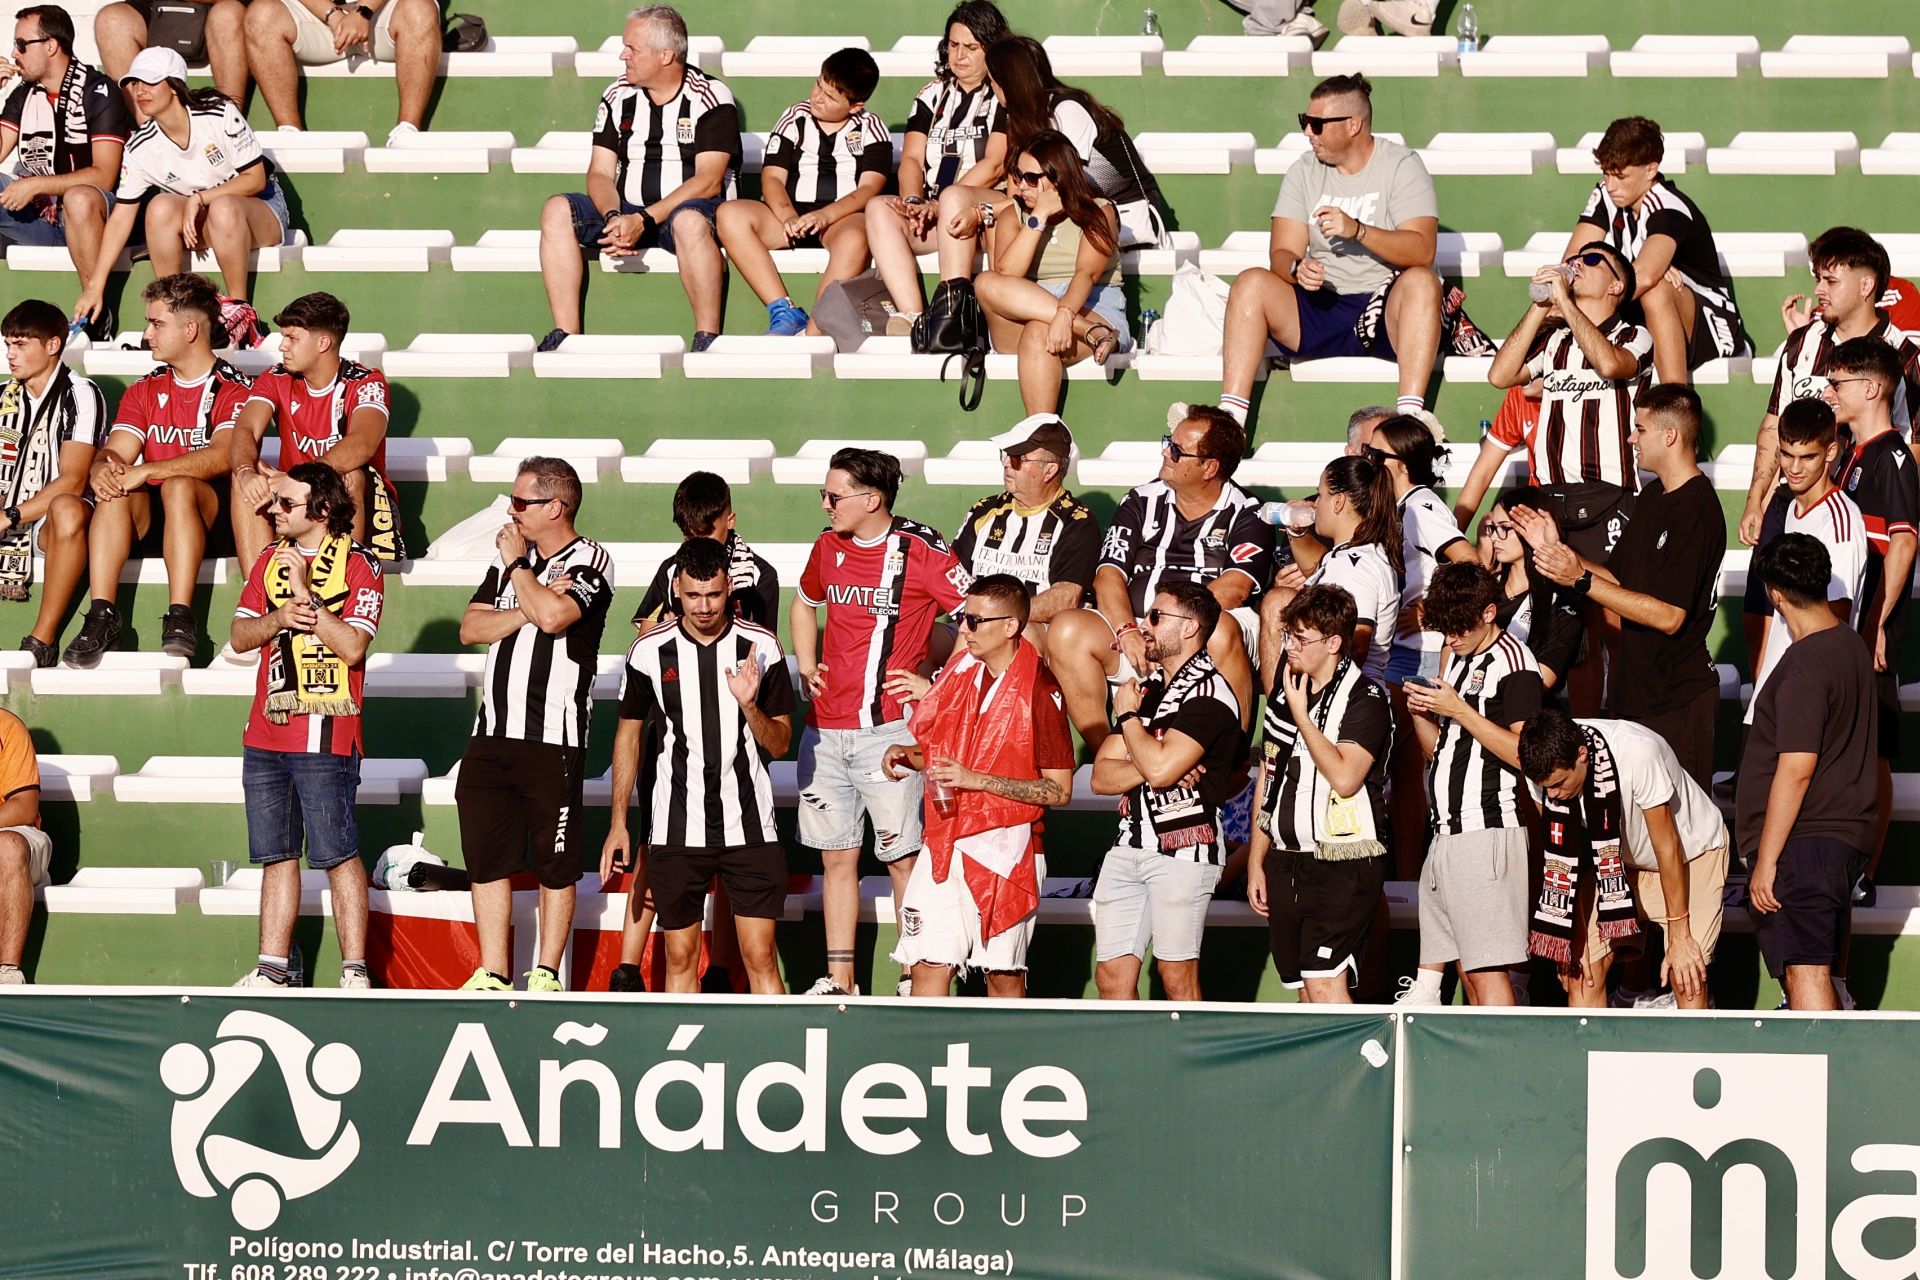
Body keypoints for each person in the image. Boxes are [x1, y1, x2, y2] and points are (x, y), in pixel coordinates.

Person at [791, 448, 968, 997]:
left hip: (890, 731)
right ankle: (840, 978)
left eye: (833, 495)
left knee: (901, 859)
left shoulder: (922, 549)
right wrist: (805, 664)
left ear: (872, 499)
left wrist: (935, 687)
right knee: (836, 858)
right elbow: (803, 604)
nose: (825, 504)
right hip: (824, 730)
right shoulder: (829, 545)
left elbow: (980, 619)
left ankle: (914, 976)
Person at [601, 537, 792, 996]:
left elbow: (781, 743)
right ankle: (681, 1061)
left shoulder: (761, 647)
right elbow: (628, 734)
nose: (704, 606)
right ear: (675, 590)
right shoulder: (649, 650)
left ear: (730, 587)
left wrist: (749, 706)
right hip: (674, 824)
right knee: (680, 956)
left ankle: (783, 1057)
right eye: (692, 595)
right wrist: (618, 823)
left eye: (714, 594)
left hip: (749, 824)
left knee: (761, 956)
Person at [454, 458, 614, 993]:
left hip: (554, 738)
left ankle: (546, 972)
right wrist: (526, 600)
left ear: (555, 507)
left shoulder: (592, 559)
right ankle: (494, 971)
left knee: (555, 863)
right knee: (486, 856)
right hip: (492, 733)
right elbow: (472, 627)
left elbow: (556, 618)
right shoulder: (513, 562)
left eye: (521, 502)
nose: (511, 510)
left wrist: (522, 576)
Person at [1516, 385, 1724, 789]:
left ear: (1670, 436)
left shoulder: (1697, 509)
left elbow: (1669, 616)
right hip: (1637, 693)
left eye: (1639, 429)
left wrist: (1579, 578)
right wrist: (1557, 550)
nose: (1630, 438)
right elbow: (1616, 580)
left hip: (1677, 699)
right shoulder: (1652, 496)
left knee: (1680, 838)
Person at [228, 464, 383, 989]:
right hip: (266, 728)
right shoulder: (268, 559)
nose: (272, 510)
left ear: (320, 509)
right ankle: (272, 968)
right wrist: (278, 617)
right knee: (276, 855)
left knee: (337, 853)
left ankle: (354, 970)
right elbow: (240, 634)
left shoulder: (361, 564)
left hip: (327, 730)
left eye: (285, 503)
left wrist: (305, 597)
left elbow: (354, 646)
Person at [883, 575, 1075, 998]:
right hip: (946, 837)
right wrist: (906, 753)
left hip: (1006, 848)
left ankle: (1007, 1064)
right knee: (926, 967)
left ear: (1010, 626)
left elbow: (1059, 791)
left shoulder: (1040, 691)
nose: (964, 629)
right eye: (962, 618)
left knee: (1002, 977)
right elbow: (945, 757)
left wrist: (976, 781)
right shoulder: (959, 677)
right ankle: (925, 1064)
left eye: (974, 620)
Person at [1738, 229, 1920, 666]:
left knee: (1843, 653)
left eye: (1830, 280)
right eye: (1817, 277)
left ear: (1866, 285)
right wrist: (1756, 499)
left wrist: (1889, 518)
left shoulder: (1904, 356)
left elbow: (1912, 447)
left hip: (1854, 519)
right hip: (1787, 504)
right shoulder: (1803, 344)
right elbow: (1771, 426)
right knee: (1758, 621)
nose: (1818, 289)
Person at [1219, 73, 1441, 427]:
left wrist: (1358, 230)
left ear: (1353, 125)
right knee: (1250, 283)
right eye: (1304, 122)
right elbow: (1282, 252)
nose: (1308, 132)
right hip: (1320, 304)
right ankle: (1230, 421)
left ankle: (1410, 421)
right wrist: (1295, 269)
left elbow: (1422, 250)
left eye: (1317, 124)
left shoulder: (1401, 165)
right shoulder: (1303, 170)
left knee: (1422, 283)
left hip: (1382, 309)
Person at [1049, 406, 1270, 750]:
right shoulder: (1140, 500)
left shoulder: (1248, 512)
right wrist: (1127, 629)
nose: (1166, 452)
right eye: (1169, 441)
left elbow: (1234, 587)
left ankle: (1233, 761)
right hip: (1137, 629)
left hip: (1201, 625)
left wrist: (1163, 625)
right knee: (1066, 629)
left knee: (1222, 628)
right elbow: (1108, 574)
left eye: (1178, 450)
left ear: (1210, 467)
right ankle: (1112, 754)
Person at [63, 273, 252, 668]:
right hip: (153, 520)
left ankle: (181, 616)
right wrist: (103, 468)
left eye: (157, 323)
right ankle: (102, 615)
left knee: (179, 486)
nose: (147, 334)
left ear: (190, 329)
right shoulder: (144, 388)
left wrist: (146, 469)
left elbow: (224, 456)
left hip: (212, 519)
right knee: (115, 487)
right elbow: (116, 451)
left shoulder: (234, 387)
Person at [536, 6, 740, 355]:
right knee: (557, 209)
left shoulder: (709, 95)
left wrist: (644, 219)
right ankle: (566, 335)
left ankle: (707, 338)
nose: (622, 55)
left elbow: (709, 181)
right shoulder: (618, 94)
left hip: (689, 212)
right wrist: (615, 217)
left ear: (666, 55)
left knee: (690, 222)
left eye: (632, 48)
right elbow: (600, 171)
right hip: (629, 211)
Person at [1739, 535, 1879, 1011]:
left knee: (1808, 973)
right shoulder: (1852, 646)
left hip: (1805, 844)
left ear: (1775, 595)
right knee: (1827, 977)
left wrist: (1766, 860)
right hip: (1840, 840)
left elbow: (1796, 769)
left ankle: (1828, 1084)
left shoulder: (1805, 663)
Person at [1090, 580, 1247, 1001]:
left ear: (1191, 628)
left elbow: (1157, 768)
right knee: (1110, 978)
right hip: (1127, 845)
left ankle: (1192, 1066)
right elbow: (1101, 777)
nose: (1144, 625)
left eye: (1156, 617)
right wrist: (1155, 760)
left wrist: (1130, 724)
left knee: (1177, 976)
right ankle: (1129, 1064)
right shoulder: (1151, 691)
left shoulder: (1212, 693)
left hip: (1184, 852)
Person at [73, 48, 291, 349]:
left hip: (263, 210)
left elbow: (256, 180)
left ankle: (240, 313)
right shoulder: (140, 146)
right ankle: (170, 312)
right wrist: (95, 286)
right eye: (135, 83)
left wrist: (201, 198)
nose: (139, 91)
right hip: (206, 222)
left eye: (150, 82)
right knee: (159, 207)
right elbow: (122, 216)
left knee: (224, 207)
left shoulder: (218, 112)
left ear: (174, 85)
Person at [1398, 564, 1543, 1006]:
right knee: (1456, 969)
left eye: (1459, 628)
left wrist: (1458, 710)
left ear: (1490, 612)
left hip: (1488, 829)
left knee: (1487, 972)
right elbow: (1440, 751)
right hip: (1446, 831)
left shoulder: (1515, 662)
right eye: (1444, 630)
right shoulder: (1457, 654)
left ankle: (1502, 1069)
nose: (1452, 638)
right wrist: (1421, 712)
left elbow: (1527, 755)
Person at [1518, 708, 1727, 1010]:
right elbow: (1562, 859)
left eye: (1559, 784)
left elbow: (1668, 849)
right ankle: (1588, 1055)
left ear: (1581, 755)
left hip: (1692, 855)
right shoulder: (1542, 771)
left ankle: (1693, 1054)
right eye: (1545, 787)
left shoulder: (1637, 754)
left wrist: (1679, 937)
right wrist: (1574, 935)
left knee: (1687, 975)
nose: (1552, 794)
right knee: (1582, 972)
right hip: (1621, 864)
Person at [1247, 583, 1391, 1002]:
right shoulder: (1287, 691)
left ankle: (1355, 1069)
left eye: (1300, 639)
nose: (1289, 646)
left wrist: (1301, 715)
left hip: (1342, 862)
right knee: (1304, 991)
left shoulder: (1366, 698)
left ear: (1333, 643)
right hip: (1287, 860)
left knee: (1325, 985)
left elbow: (1345, 778)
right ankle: (1317, 1070)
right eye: (1287, 635)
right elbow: (1268, 776)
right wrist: (1258, 859)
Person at [1475, 240, 1651, 564]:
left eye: (1593, 259)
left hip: (1607, 492)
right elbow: (1500, 375)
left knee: (1603, 606)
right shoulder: (1556, 341)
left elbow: (1611, 365)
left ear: (1616, 285)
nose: (1577, 264)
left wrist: (1566, 305)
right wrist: (1542, 304)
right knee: (1551, 608)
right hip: (1550, 496)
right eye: (1573, 259)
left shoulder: (1634, 335)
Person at [936, 35, 1167, 274]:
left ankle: (1013, 301)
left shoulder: (1067, 110)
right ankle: (988, 299)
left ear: (1010, 84)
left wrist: (982, 211)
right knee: (1006, 222)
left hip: (1122, 212)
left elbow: (1063, 188)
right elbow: (1022, 195)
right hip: (1072, 210)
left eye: (993, 82)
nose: (992, 90)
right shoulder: (1023, 118)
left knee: (1010, 223)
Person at [1822, 337, 1919, 899]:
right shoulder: (1854, 453)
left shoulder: (1894, 457)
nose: (1830, 391)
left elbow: (1904, 545)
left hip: (1870, 626)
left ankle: (1867, 871)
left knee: (1873, 745)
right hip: (1849, 622)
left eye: (1838, 383)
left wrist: (1879, 620)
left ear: (1873, 387)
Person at [229, 292, 403, 598]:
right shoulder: (276, 377)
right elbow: (245, 428)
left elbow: (362, 443)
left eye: (292, 338)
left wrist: (297, 481)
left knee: (351, 474)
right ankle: (257, 599)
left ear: (323, 343)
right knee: (247, 478)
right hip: (296, 501)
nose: (282, 346)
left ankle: (342, 590)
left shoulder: (366, 381)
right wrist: (245, 470)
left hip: (358, 503)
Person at [715, 48, 888, 337]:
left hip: (838, 220)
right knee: (729, 214)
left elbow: (870, 188)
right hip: (789, 216)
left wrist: (824, 216)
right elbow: (772, 177)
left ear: (855, 106)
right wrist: (788, 217)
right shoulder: (795, 117)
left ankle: (816, 328)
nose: (818, 97)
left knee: (857, 237)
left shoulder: (872, 128)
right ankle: (783, 309)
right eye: (819, 84)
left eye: (831, 97)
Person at [1366, 413, 1474, 872]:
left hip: (1421, 654)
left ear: (1401, 464)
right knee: (1409, 773)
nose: (1366, 460)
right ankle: (1408, 873)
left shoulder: (1421, 507)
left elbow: (1469, 565)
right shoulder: (1399, 505)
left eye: (1375, 455)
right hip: (1405, 651)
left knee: (1381, 757)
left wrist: (1431, 606)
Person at [860, 1, 1010, 332]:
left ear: (992, 48)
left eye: (971, 47)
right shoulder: (932, 94)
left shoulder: (1003, 93)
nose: (959, 56)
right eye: (953, 45)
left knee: (956, 197)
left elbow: (996, 163)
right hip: (935, 209)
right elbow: (912, 158)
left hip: (986, 214)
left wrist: (940, 205)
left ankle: (951, 313)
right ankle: (914, 316)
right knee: (879, 208)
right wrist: (914, 202)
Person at [1565, 116, 1749, 385]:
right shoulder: (1606, 195)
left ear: (1651, 169)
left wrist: (1590, 299)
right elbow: (1572, 263)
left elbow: (1647, 275)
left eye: (1621, 175)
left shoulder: (1668, 205)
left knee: (1656, 288)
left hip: (1712, 326)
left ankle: (1675, 404)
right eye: (1606, 173)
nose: (1611, 184)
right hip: (1641, 312)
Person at [974, 131, 1128, 413]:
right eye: (1017, 175)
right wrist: (1039, 219)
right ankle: (1093, 332)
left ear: (1059, 178)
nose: (1022, 186)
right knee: (986, 281)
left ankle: (1042, 437)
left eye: (1032, 178)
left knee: (1038, 332)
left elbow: (1086, 274)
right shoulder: (1015, 215)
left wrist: (1065, 314)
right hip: (1028, 311)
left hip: (1089, 305)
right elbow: (1007, 273)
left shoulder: (1099, 212)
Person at [0, 5, 132, 333]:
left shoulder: (99, 91)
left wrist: (37, 185)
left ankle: (96, 318)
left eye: (21, 44)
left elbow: (105, 175)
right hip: (41, 220)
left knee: (79, 198)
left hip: (94, 218)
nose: (14, 54)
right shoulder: (23, 95)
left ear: (50, 45)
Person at [1745, 399, 1865, 720]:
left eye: (1807, 457)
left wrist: (1796, 689)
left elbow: (1835, 618)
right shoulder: (1792, 510)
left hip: (1805, 697)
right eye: (1787, 455)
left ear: (1830, 452)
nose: (1794, 468)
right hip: (1777, 695)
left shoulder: (1841, 523)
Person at [0, 300, 104, 666]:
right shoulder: (2, 397)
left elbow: (73, 480)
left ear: (52, 345)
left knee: (66, 508)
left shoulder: (81, 393)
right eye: (8, 344)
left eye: (21, 344)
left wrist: (9, 515)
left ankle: (42, 640)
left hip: (55, 519)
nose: (11, 355)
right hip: (10, 508)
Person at [950, 414, 1098, 653]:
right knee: (924, 635)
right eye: (1005, 455)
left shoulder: (1076, 522)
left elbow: (1065, 598)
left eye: (1018, 458)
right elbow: (951, 576)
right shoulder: (985, 510)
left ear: (1049, 470)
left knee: (1020, 633)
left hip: (1031, 630)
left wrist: (994, 620)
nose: (1007, 463)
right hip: (971, 626)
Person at [1260, 452, 1401, 692]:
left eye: (1321, 494)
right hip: (1347, 702)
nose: (1315, 504)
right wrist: (1297, 531)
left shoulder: (1355, 564)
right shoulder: (1352, 555)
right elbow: (1319, 569)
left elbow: (1357, 641)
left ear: (1338, 502)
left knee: (1278, 601)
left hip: (1346, 708)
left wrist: (1317, 697)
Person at [243, 0, 442, 145]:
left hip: (382, 14)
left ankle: (408, 131)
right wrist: (333, 14)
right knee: (261, 14)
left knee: (420, 8)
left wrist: (364, 11)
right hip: (321, 17)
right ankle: (290, 132)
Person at [632, 471, 778, 633]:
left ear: (730, 521)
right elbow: (645, 640)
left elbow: (763, 645)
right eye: (689, 536)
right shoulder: (671, 569)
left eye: (707, 534)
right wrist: (669, 635)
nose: (699, 544)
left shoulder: (760, 576)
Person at [1478, 485, 1585, 694]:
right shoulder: (1484, 589)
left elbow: (1544, 679)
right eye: (1492, 528)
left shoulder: (1562, 599)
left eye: (1505, 528)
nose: (1493, 537)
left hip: (1527, 715)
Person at [93, 0, 247, 119]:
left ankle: (230, 125)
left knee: (227, 14)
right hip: (158, 11)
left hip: (225, 12)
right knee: (110, 20)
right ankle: (152, 132)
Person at [0, 706, 50, 984]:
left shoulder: (6, 727)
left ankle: (7, 972)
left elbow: (24, 808)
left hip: (13, 833)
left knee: (6, 846)